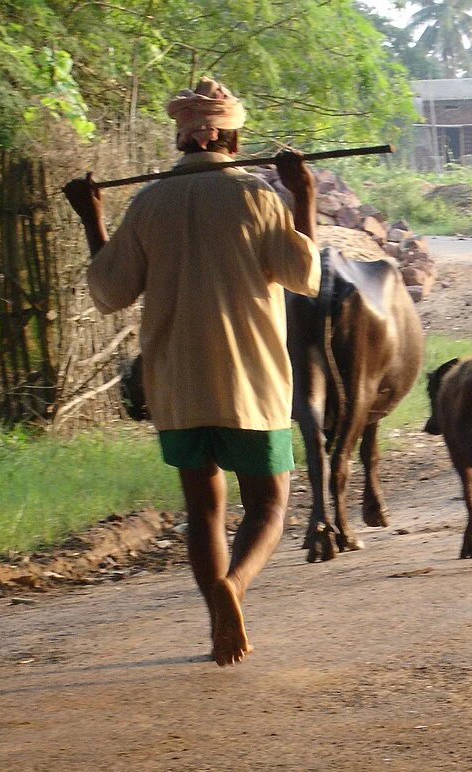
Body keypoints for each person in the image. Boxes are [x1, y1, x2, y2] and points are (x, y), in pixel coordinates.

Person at [63, 78, 322, 668]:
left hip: (175, 382)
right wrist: (302, 193)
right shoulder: (258, 196)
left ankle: (217, 627)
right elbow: (302, 273)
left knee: (204, 508)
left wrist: (91, 218)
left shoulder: (148, 203)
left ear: (183, 138)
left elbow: (111, 290)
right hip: (251, 381)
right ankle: (236, 585)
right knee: (270, 504)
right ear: (233, 136)